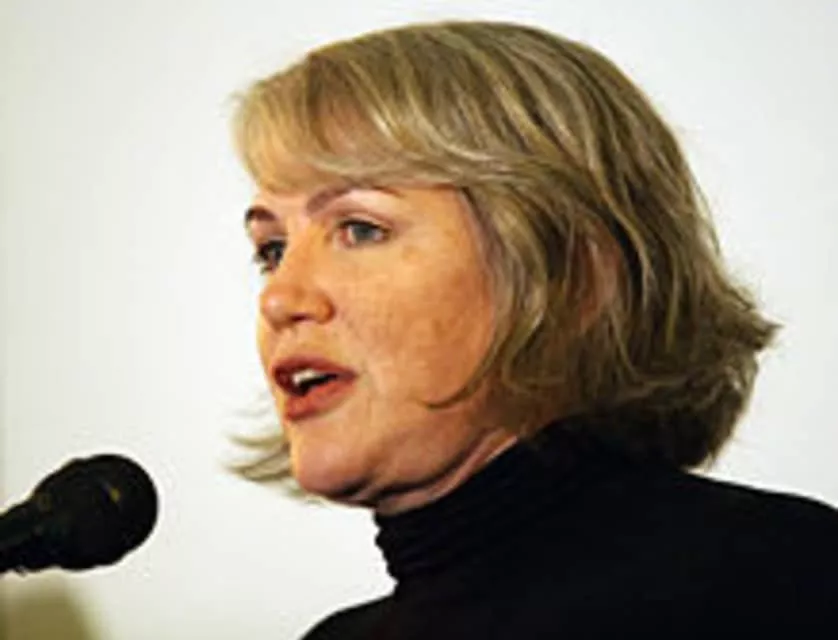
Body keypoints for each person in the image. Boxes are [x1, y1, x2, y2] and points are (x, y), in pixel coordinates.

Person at [231, 20, 838, 638]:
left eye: (361, 229)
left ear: (573, 275)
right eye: (271, 250)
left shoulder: (788, 579)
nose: (279, 299)